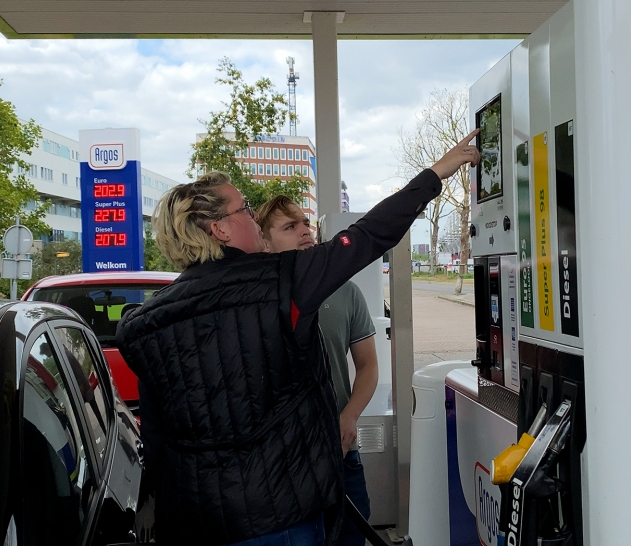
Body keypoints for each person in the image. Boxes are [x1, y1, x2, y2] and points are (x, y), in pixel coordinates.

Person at [116, 131, 480, 546]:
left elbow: (159, 440)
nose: (253, 218)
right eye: (246, 210)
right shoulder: (284, 280)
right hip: (283, 515)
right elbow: (368, 235)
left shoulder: (146, 324)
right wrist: (436, 174)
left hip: (198, 521)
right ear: (218, 228)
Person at [256, 196, 377, 546]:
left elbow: (368, 366)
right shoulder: (256, 297)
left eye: (305, 223)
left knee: (352, 536)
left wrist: (350, 417)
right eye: (290, 227)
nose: (305, 232)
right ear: (264, 241)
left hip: (341, 451)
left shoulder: (346, 292)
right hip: (282, 463)